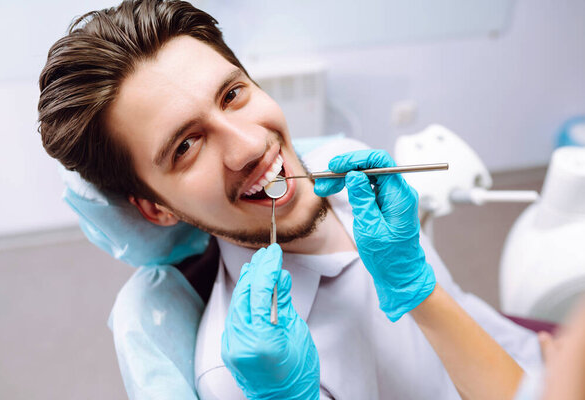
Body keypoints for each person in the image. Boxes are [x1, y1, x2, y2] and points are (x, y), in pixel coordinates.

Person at [38, 1, 542, 398]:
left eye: (232, 94)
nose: (251, 145)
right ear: (157, 208)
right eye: (186, 146)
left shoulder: (356, 177)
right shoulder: (241, 375)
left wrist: (421, 292)